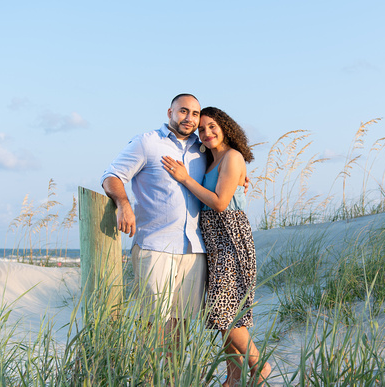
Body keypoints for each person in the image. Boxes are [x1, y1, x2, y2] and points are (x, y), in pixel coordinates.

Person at [162, 107, 272, 386]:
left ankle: (259, 366)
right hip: (212, 239)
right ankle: (233, 378)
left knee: (226, 313)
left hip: (230, 237)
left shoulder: (232, 157)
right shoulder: (210, 157)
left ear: (225, 127)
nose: (206, 133)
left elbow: (221, 203)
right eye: (202, 128)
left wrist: (185, 178)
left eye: (212, 127)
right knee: (223, 312)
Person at [101, 94, 207, 347]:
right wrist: (123, 204)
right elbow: (111, 176)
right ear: (169, 112)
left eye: (195, 114)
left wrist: (241, 180)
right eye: (183, 111)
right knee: (152, 322)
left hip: (194, 249)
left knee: (181, 322)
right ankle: (149, 377)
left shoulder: (203, 149)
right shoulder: (147, 143)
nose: (189, 118)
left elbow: (224, 171)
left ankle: (174, 379)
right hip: (155, 245)